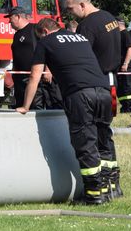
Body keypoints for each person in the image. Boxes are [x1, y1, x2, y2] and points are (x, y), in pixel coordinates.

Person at [17, 18, 120, 204]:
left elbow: (34, 76)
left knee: (85, 142)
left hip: (80, 94)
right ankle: (110, 187)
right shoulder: (79, 38)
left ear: (44, 32)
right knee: (103, 138)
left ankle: (94, 194)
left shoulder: (46, 42)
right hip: (103, 91)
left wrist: (25, 106)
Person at [6, 6, 62, 110]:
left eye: (10, 18)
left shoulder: (35, 29)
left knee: (36, 108)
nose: (9, 21)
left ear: (18, 16)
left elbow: (51, 48)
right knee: (20, 107)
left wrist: (48, 69)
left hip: (35, 79)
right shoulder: (17, 34)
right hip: (20, 80)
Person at [65, 0, 121, 87]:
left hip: (95, 82)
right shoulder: (109, 16)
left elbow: (80, 57)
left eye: (71, 8)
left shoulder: (86, 26)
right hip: (112, 79)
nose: (70, 13)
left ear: (82, 5)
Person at [116, 20, 131, 113]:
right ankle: (125, 107)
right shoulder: (119, 34)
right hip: (120, 68)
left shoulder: (125, 34)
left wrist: (125, 63)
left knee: (128, 88)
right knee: (121, 89)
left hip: (126, 67)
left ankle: (130, 108)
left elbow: (130, 48)